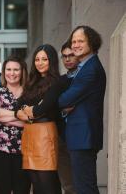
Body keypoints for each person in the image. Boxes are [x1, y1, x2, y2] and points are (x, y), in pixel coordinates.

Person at [58, 26, 106, 194]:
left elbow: (65, 99)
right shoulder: (85, 66)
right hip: (81, 137)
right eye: (74, 41)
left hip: (83, 137)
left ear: (91, 42)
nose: (75, 45)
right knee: (83, 186)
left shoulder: (90, 69)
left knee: (85, 188)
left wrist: (58, 101)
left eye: (80, 41)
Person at [15, 44, 67, 194]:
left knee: (47, 183)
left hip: (45, 133)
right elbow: (17, 107)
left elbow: (42, 109)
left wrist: (30, 110)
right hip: (29, 133)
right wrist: (28, 111)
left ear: (51, 61)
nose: (40, 62)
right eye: (37, 59)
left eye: (44, 59)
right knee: (35, 182)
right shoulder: (31, 82)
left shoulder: (57, 82)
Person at [0, 56, 31, 194]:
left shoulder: (30, 92)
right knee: (0, 189)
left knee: (22, 189)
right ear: (3, 71)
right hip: (0, 149)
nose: (12, 73)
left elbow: (32, 120)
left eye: (16, 69)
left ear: (22, 72)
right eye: (8, 69)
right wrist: (19, 115)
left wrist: (4, 116)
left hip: (25, 149)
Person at [57, 42, 78, 194]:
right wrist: (62, 111)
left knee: (82, 183)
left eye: (71, 55)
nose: (68, 59)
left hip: (80, 138)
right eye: (64, 56)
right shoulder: (60, 81)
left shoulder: (84, 78)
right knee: (68, 185)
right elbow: (54, 109)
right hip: (61, 138)